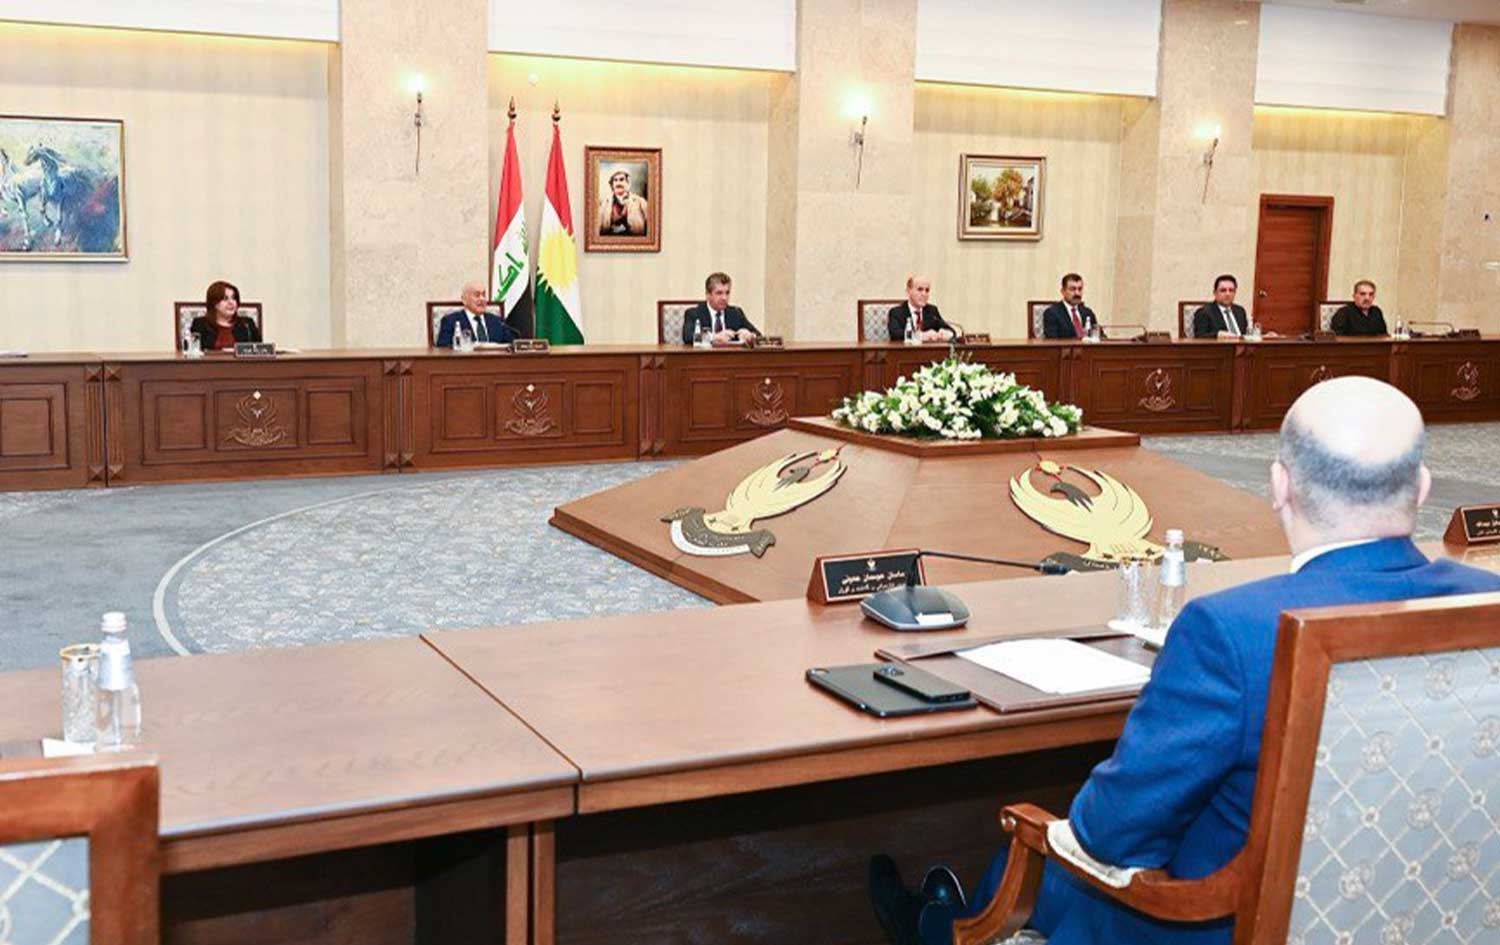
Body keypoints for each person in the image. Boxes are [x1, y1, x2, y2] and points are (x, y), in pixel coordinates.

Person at [869, 375, 1500, 945]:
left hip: (1222, 923)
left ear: (1279, 485)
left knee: (1038, 857)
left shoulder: (1232, 629)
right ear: (1422, 486)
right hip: (1442, 908)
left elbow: (1109, 835)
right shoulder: (1487, 602)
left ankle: (940, 929)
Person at [681, 272, 760, 345]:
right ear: (708, 295)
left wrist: (750, 336)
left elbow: (759, 336)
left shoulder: (735, 313)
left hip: (731, 355)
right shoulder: (694, 313)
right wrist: (713, 337)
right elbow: (688, 337)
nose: (724, 298)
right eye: (719, 293)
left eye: (727, 293)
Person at [435, 281, 517, 348]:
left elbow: (512, 345)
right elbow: (443, 348)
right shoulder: (450, 321)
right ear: (464, 300)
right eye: (477, 295)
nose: (482, 299)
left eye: (484, 295)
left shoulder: (497, 321)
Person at [190, 280, 261, 351]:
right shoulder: (200, 324)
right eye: (225, 299)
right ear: (214, 303)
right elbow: (193, 351)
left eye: (233, 298)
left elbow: (260, 351)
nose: (231, 302)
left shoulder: (247, 324)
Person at [887, 276, 954, 342]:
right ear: (908, 291)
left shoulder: (932, 311)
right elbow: (896, 335)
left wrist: (945, 334)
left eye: (927, 290)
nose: (924, 294)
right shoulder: (896, 312)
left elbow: (951, 331)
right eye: (920, 289)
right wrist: (922, 336)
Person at [1041, 273, 1100, 339]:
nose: (1077, 293)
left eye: (1080, 289)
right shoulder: (1052, 313)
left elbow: (1099, 336)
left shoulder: (1088, 312)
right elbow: (1052, 340)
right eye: (1072, 289)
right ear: (1063, 291)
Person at [597, 169, 649, 237]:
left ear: (628, 183)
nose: (618, 183)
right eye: (615, 180)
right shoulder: (604, 204)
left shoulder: (640, 202)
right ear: (612, 185)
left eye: (621, 180)